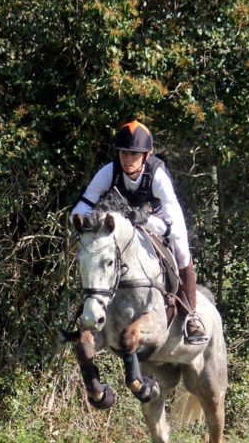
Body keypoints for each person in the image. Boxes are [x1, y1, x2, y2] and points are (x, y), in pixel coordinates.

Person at [71, 120, 208, 344]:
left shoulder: (158, 176)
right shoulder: (109, 172)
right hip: (125, 224)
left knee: (182, 250)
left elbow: (170, 226)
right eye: (124, 153)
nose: (127, 160)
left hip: (160, 219)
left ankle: (192, 317)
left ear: (147, 155)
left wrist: (146, 219)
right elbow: (81, 207)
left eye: (134, 154)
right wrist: (88, 224)